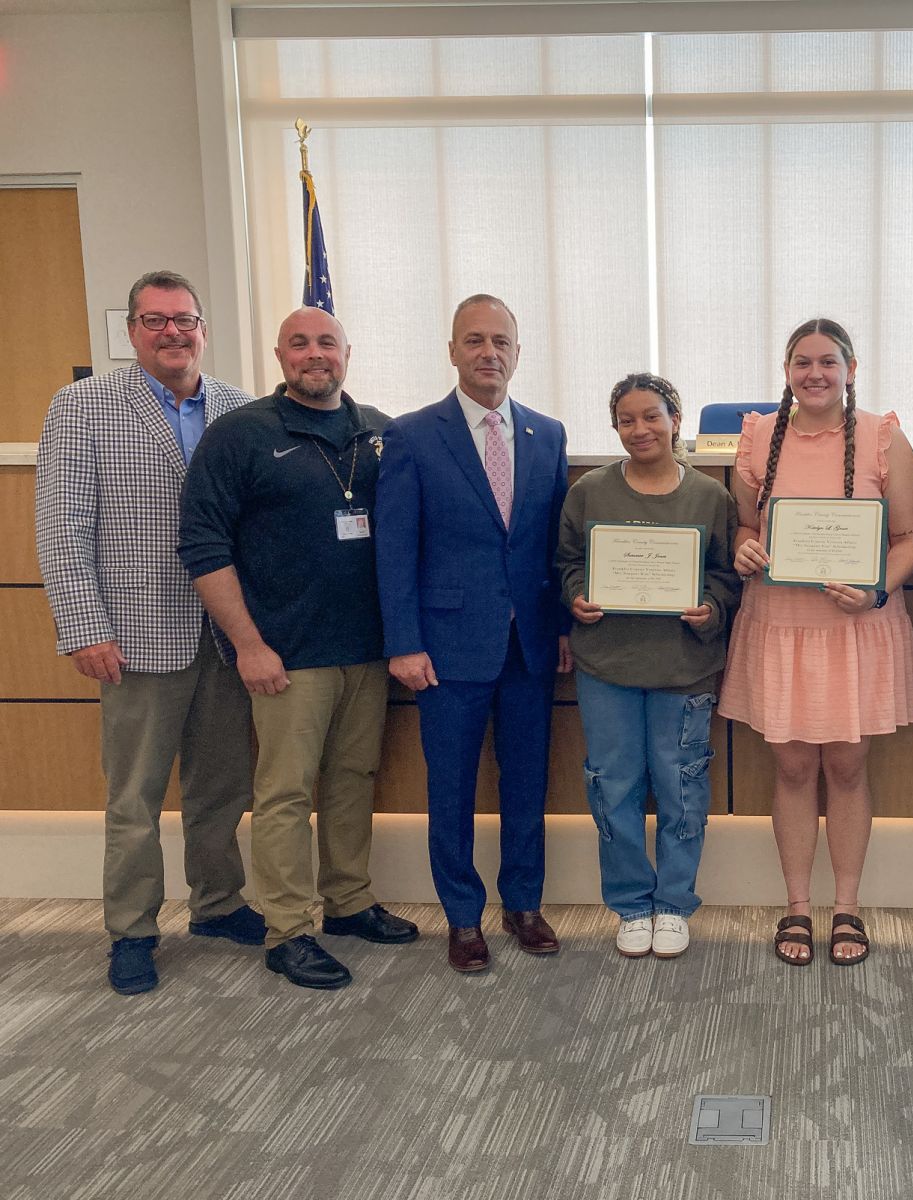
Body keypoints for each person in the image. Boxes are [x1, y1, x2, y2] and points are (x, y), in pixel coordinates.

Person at [35, 270, 264, 996]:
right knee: (134, 795)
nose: (173, 332)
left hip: (227, 634)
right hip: (134, 633)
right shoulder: (82, 407)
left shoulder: (240, 407)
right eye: (155, 320)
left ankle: (219, 904)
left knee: (221, 785)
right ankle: (132, 928)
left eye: (185, 320)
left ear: (203, 328)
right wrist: (82, 626)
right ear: (132, 331)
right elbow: (62, 527)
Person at [178, 306, 419, 990]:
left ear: (348, 352)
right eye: (300, 344)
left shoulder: (377, 431)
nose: (316, 354)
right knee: (284, 793)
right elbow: (202, 546)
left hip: (367, 651)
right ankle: (287, 929)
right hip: (284, 654)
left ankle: (348, 901)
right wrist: (247, 643)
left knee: (352, 781)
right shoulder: (240, 435)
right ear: (280, 356)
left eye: (328, 343)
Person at [375, 294, 571, 974]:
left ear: (518, 353)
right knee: (451, 787)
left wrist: (564, 626)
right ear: (452, 350)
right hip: (444, 645)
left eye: (502, 342)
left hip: (530, 644)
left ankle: (523, 903)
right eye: (475, 340)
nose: (490, 352)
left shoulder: (547, 434)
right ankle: (462, 916)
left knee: (526, 782)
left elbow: (552, 544)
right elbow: (394, 549)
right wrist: (402, 641)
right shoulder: (411, 435)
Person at [720, 318, 913, 966]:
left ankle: (846, 907)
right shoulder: (756, 437)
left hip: (853, 628)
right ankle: (795, 906)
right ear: (786, 371)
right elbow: (745, 528)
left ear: (850, 368)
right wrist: (745, 550)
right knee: (790, 767)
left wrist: (875, 591)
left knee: (845, 766)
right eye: (801, 362)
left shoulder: (882, 437)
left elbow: (909, 538)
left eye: (827, 362)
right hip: (779, 626)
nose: (814, 373)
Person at [557, 374, 741, 958]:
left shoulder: (711, 496)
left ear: (675, 420)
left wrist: (709, 608)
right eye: (627, 420)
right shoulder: (589, 491)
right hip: (606, 663)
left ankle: (676, 902)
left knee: (682, 784)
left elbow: (727, 575)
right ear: (615, 427)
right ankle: (632, 903)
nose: (641, 429)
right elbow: (565, 563)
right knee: (613, 787)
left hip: (683, 666)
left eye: (652, 417)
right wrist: (576, 596)